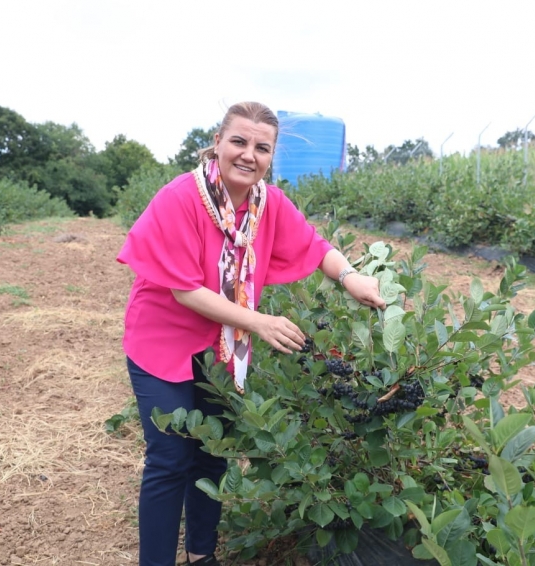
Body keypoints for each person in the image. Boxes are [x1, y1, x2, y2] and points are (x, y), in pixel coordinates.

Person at [117, 101, 386, 566]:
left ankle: (202, 554)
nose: (249, 155)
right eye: (238, 141)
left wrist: (350, 277)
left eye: (262, 148)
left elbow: (317, 246)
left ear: (271, 156)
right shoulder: (182, 197)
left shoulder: (268, 204)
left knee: (212, 454)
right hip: (161, 344)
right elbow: (185, 290)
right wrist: (258, 322)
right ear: (217, 143)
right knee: (170, 460)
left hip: (219, 350)